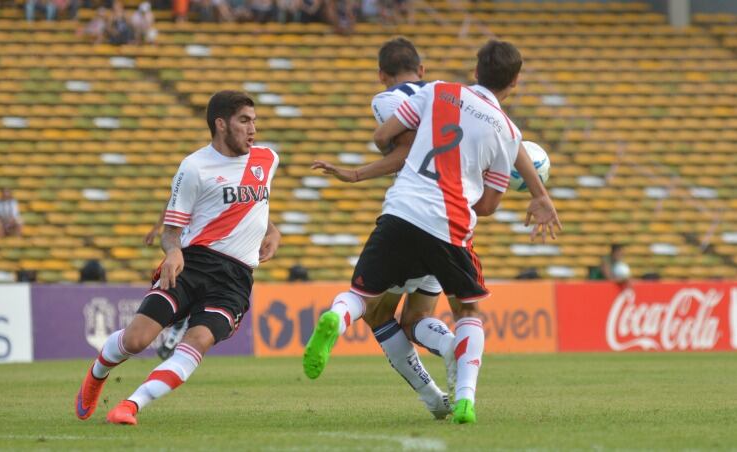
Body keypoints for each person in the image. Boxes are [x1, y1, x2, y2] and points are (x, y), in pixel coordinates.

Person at [303, 40, 561, 424]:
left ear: (475, 71)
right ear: (516, 81)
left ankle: (336, 318)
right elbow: (488, 207)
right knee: (467, 311)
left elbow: (381, 137)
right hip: (450, 225)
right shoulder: (507, 132)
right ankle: (465, 400)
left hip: (402, 211)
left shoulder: (437, 90)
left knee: (364, 298)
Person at [75, 90, 281, 425]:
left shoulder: (267, 159)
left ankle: (130, 406)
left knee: (197, 341)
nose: (253, 129)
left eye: (255, 121)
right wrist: (172, 252)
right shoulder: (194, 167)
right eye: (245, 120)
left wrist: (273, 231)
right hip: (192, 264)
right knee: (137, 339)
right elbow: (172, 230)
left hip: (235, 279)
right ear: (221, 124)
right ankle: (97, 375)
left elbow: (254, 203)